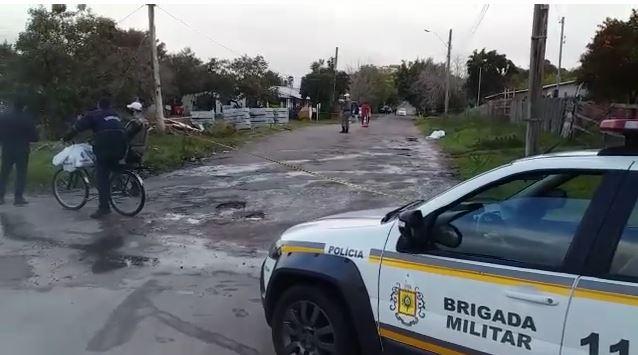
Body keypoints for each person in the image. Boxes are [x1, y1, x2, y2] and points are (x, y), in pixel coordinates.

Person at [63, 97, 128, 219]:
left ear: (99, 106)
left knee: (101, 176)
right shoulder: (116, 115)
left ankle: (104, 208)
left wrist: (65, 137)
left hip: (105, 147)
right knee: (113, 166)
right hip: (121, 147)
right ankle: (118, 182)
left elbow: (78, 127)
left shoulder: (94, 114)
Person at [0, 98, 38, 206]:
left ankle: (0, 196)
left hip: (7, 148)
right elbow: (34, 137)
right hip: (22, 149)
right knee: (21, 174)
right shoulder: (27, 118)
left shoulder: (4, 117)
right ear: (24, 106)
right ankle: (18, 198)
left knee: (4, 172)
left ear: (13, 105)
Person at [124, 100, 149, 166]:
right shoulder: (144, 121)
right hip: (142, 148)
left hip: (132, 148)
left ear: (133, 111)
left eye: (130, 110)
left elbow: (126, 134)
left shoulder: (135, 123)